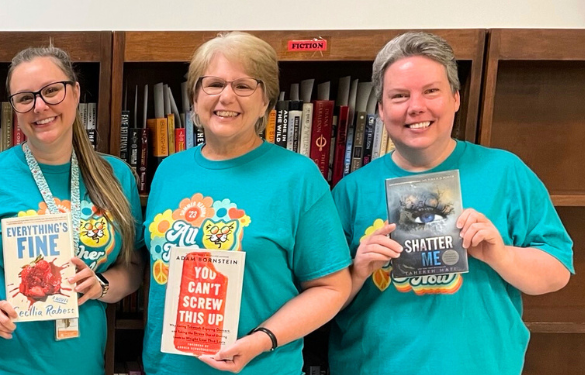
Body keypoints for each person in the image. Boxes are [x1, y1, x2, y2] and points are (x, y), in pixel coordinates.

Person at [327, 31, 574, 375]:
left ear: (456, 98)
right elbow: (319, 298)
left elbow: (557, 273)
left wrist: (499, 254)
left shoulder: (505, 171)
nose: (416, 107)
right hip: (374, 366)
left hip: (482, 365)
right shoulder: (351, 190)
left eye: (431, 91)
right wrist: (358, 269)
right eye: (399, 96)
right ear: (381, 110)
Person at [139, 31, 352, 374]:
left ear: (266, 101)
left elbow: (332, 287)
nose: (226, 97)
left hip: (260, 366)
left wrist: (262, 338)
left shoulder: (297, 176)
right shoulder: (169, 171)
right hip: (168, 367)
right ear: (195, 96)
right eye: (213, 84)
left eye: (243, 86)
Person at [0, 46, 143, 375]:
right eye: (25, 98)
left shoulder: (116, 176)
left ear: (75, 91)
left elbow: (134, 267)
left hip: (83, 365)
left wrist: (101, 285)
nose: (40, 106)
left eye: (52, 91)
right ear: (15, 108)